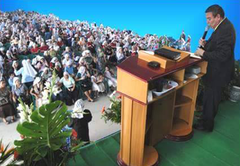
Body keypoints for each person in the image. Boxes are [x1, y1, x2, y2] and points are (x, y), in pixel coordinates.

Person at [194, 4, 236, 132]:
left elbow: (223, 55)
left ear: (218, 17)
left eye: (209, 19)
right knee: (209, 98)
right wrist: (206, 45)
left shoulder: (225, 30)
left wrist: (203, 53)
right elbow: (218, 46)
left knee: (211, 99)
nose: (207, 22)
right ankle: (205, 118)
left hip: (218, 73)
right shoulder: (222, 27)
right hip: (215, 71)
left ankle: (206, 126)